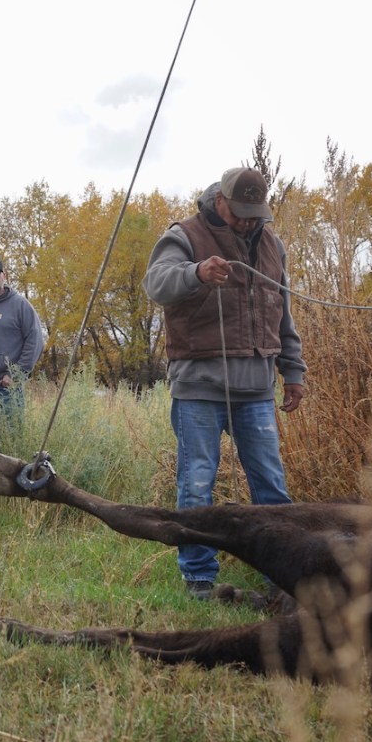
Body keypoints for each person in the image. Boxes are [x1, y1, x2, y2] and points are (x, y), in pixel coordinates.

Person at [142, 167, 307, 600]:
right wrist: (195, 272)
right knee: (197, 483)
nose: (249, 222)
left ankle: (282, 577)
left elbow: (282, 313)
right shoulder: (183, 235)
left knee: (271, 485)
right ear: (220, 202)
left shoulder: (274, 246)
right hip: (199, 386)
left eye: (256, 214)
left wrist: (293, 371)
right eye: (241, 213)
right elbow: (155, 285)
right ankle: (198, 578)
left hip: (256, 389)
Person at [0, 255, 45, 457]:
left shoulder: (20, 305)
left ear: (4, 276)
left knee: (9, 442)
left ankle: (10, 484)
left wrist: (18, 373)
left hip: (5, 388)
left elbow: (35, 339)